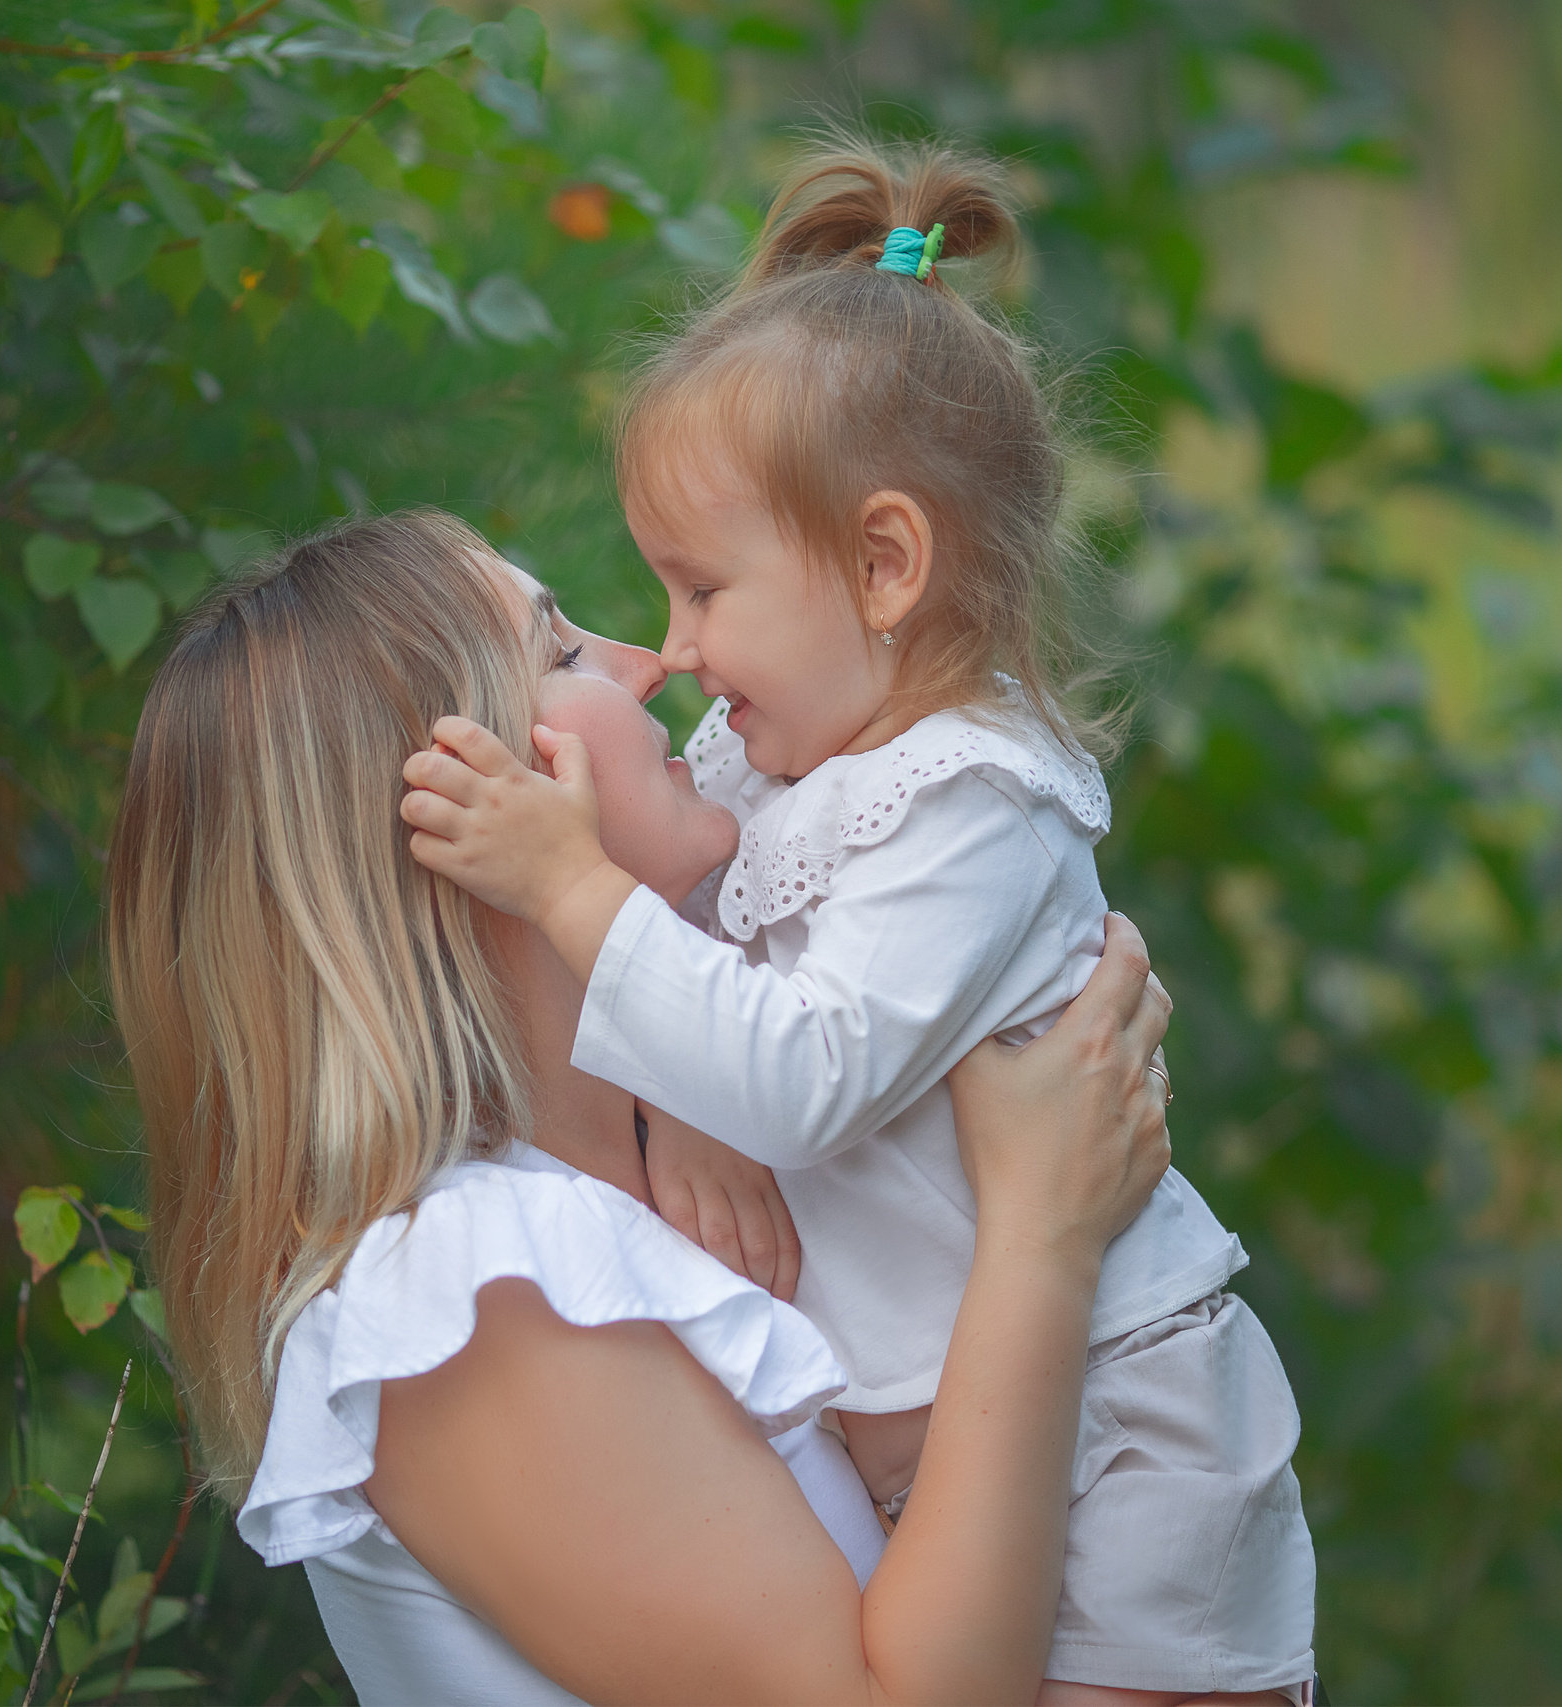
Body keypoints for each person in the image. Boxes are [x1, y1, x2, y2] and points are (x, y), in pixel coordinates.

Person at [399, 138, 1316, 1704]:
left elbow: (803, 1069)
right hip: (966, 1435)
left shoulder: (972, 806)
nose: (677, 650)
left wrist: (563, 883)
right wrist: (680, 1113)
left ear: (886, 565)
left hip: (1126, 1429)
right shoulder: (775, 750)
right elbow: (692, 926)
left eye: (703, 590)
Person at [107, 509, 1177, 1704]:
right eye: (561, 650)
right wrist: (1041, 1239)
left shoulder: (691, 1163)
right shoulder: (469, 1292)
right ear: (446, 814)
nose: (647, 661)